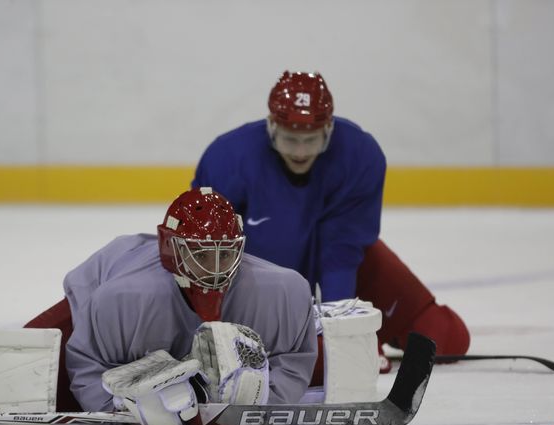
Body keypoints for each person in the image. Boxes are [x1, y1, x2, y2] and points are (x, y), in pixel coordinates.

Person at [192, 70, 470, 371]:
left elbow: (342, 250)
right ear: (271, 128)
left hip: (342, 267)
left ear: (329, 130)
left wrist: (344, 331)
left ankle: (381, 330)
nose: (300, 152)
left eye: (311, 140)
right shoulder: (227, 159)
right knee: (312, 360)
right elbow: (206, 255)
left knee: (448, 337)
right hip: (260, 283)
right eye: (290, 140)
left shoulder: (360, 155)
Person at [26, 187, 317, 425]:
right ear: (171, 249)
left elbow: (295, 357)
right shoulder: (121, 298)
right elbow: (87, 362)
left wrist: (265, 397)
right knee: (29, 364)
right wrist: (123, 408)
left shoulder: (283, 290)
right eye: (201, 255)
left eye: (226, 253)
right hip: (100, 284)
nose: (215, 269)